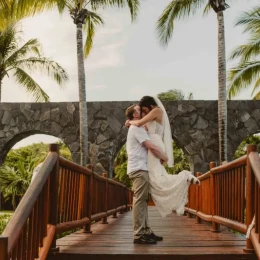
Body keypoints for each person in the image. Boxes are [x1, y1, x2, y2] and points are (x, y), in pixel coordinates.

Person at [126, 96, 200, 218]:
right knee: (156, 178)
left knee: (157, 179)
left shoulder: (157, 110)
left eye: (144, 109)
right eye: (141, 111)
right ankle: (183, 179)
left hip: (154, 144)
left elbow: (138, 123)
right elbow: (141, 126)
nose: (144, 113)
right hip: (153, 144)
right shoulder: (150, 116)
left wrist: (129, 122)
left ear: (149, 105)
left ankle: (184, 176)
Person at [125, 104, 168, 244]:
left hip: (141, 168)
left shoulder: (137, 127)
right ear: (135, 116)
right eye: (139, 110)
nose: (143, 112)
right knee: (139, 200)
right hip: (139, 169)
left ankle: (146, 230)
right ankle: (138, 234)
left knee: (143, 201)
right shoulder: (136, 128)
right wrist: (164, 156)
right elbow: (151, 146)